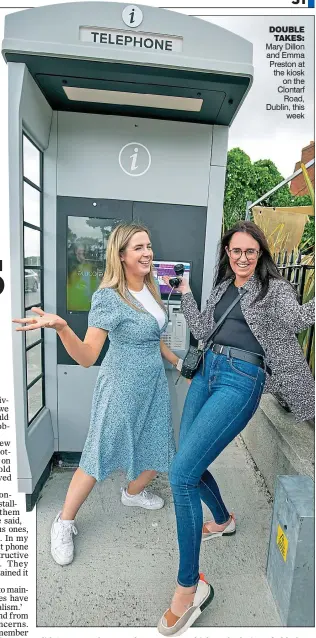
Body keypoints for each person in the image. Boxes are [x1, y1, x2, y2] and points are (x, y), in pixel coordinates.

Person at [158, 220, 315, 636]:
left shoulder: (273, 290)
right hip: (208, 373)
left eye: (249, 252)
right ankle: (224, 519)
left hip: (240, 380)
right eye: (234, 251)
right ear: (226, 253)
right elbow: (204, 330)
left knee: (181, 474)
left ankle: (188, 589)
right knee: (186, 463)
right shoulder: (221, 286)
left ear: (260, 253)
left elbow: (300, 321)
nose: (242, 258)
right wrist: (184, 294)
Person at [13, 223, 183, 566]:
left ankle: (132, 493)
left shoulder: (151, 288)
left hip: (152, 385)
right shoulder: (108, 297)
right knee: (97, 456)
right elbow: (88, 356)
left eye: (148, 246)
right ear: (121, 255)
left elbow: (155, 337)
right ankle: (63, 523)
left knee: (159, 448)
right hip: (120, 386)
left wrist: (177, 361)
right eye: (138, 248)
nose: (147, 252)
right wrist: (62, 328)